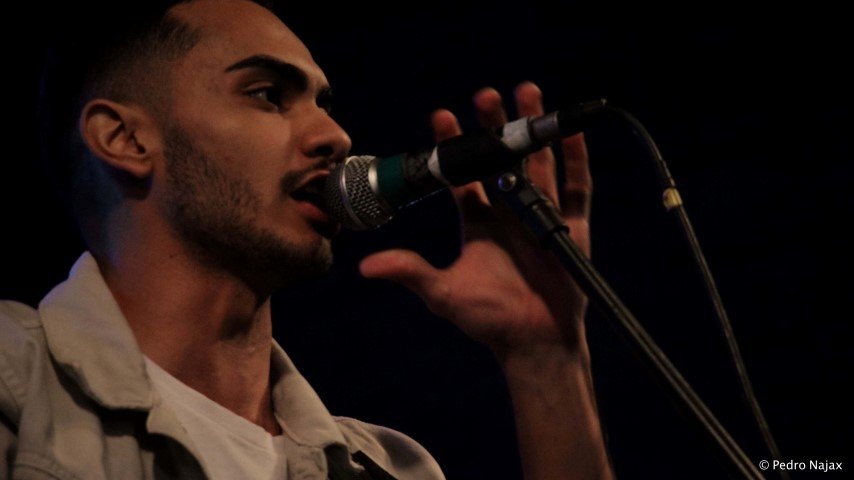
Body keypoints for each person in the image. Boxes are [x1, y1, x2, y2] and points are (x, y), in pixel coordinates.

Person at [0, 0, 612, 478]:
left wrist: (545, 361)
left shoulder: (390, 469)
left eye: (322, 102)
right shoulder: (14, 381)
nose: (336, 136)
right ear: (125, 139)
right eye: (268, 95)